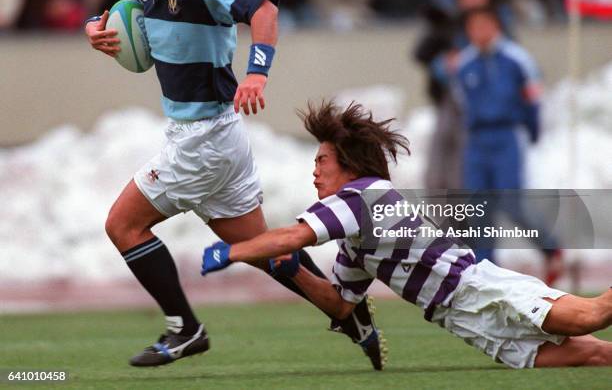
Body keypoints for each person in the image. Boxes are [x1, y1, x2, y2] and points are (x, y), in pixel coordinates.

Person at [84, 0, 382, 369]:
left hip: (201, 141)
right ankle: (343, 309)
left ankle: (185, 329)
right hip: (219, 139)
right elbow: (134, 38)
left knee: (122, 225)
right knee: (263, 250)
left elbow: (264, 10)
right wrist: (95, 33)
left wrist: (257, 72)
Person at [201, 101, 612, 369]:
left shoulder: (362, 195)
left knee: (591, 316)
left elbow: (294, 236)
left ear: (347, 164)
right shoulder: (353, 239)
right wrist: (295, 273)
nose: (315, 170)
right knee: (594, 355)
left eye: (321, 160)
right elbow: (342, 307)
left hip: (478, 288)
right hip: (462, 320)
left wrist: (233, 251)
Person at [434, 6, 563, 284]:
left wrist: (533, 131)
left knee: (511, 202)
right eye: (473, 27)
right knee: (478, 208)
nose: (479, 32)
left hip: (506, 136)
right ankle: (485, 272)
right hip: (477, 141)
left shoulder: (516, 59)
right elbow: (459, 101)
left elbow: (533, 97)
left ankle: (550, 246)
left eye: (484, 25)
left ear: (496, 26)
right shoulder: (464, 64)